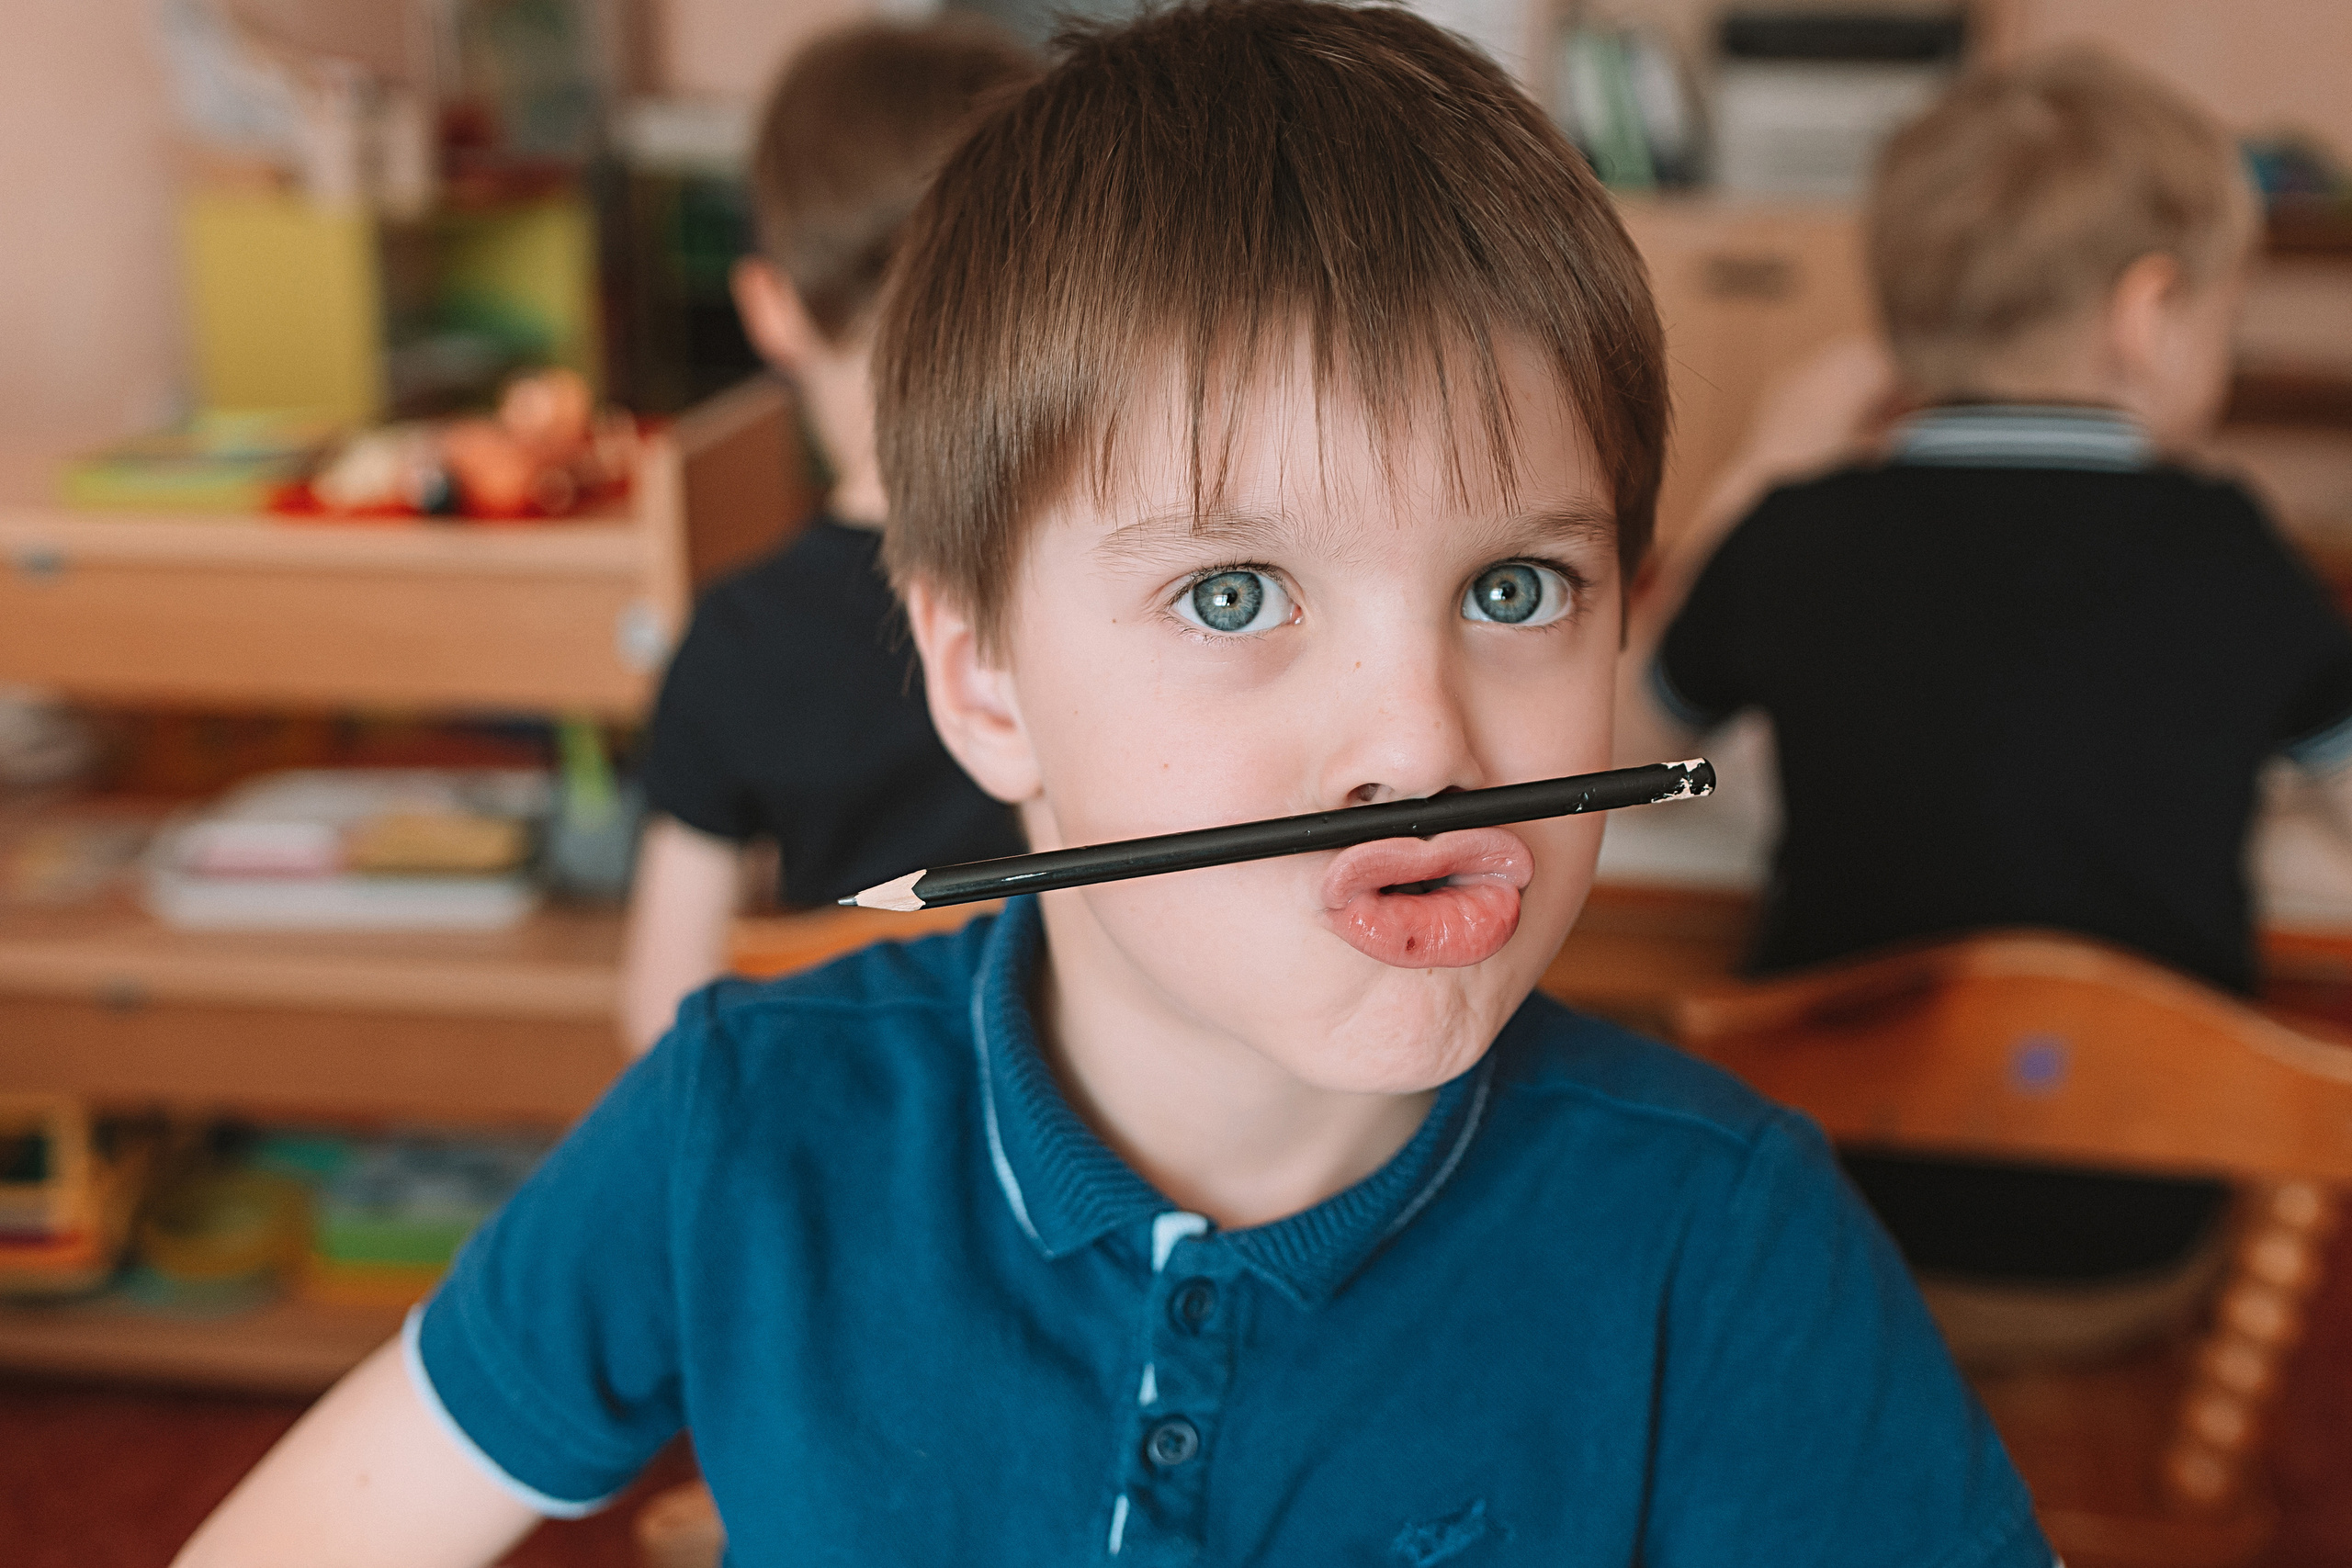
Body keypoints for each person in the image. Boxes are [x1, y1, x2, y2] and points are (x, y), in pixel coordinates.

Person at [173, 6, 2048, 1563]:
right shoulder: (738, 1134)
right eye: (1233, 593)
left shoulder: (1722, 1243)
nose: (1421, 743)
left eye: (1511, 586)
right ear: (981, 680)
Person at [1620, 51, 2352, 1360]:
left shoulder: (1801, 533)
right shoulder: (2234, 547)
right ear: (2149, 311)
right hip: (2124, 1246)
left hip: (1824, 1219)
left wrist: (1768, 464)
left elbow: (1633, 748)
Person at [618, 17, 1035, 1055]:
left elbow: (661, 1025)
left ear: (770, 307)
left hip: (845, 1135)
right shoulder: (1115, 591)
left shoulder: (738, 639)